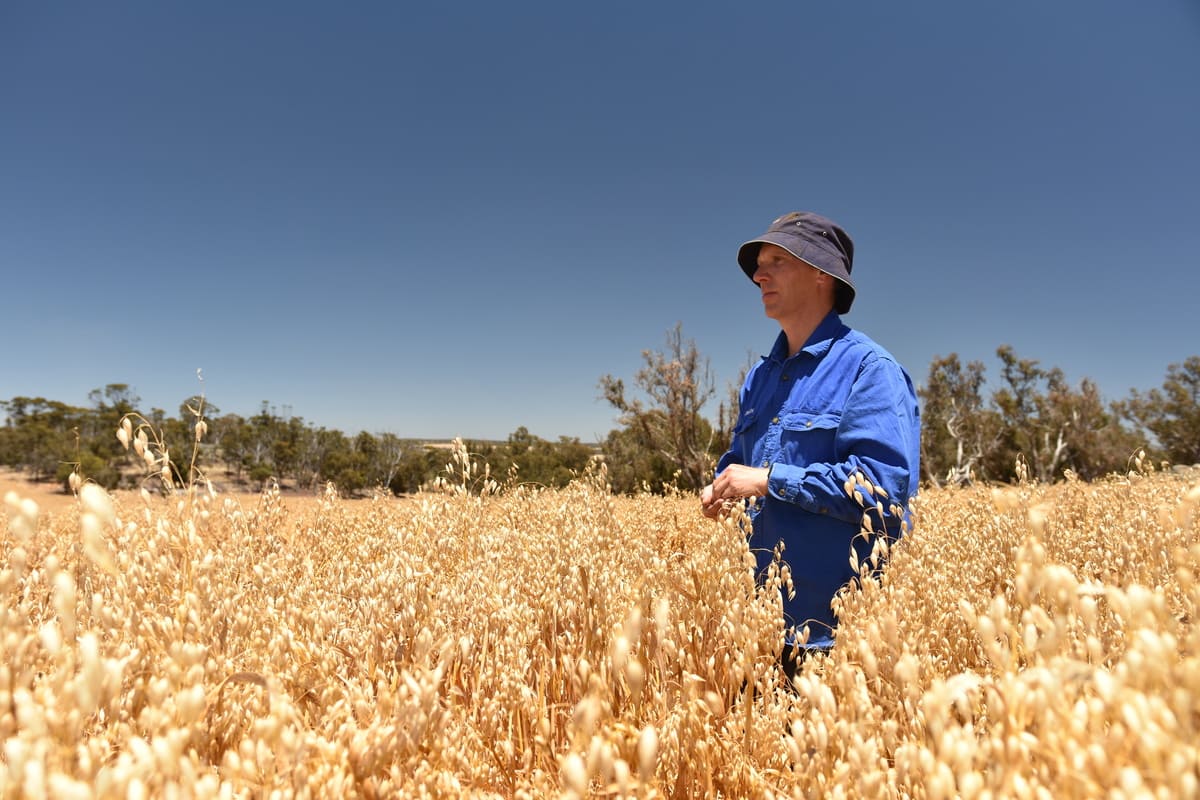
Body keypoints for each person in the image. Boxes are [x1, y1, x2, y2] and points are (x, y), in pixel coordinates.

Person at [700, 210, 921, 676]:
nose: (759, 275)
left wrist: (768, 480)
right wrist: (724, 485)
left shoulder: (869, 370)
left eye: (777, 261)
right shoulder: (760, 377)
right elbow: (744, 461)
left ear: (823, 274)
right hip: (758, 626)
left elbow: (882, 492)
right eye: (759, 265)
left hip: (838, 636)